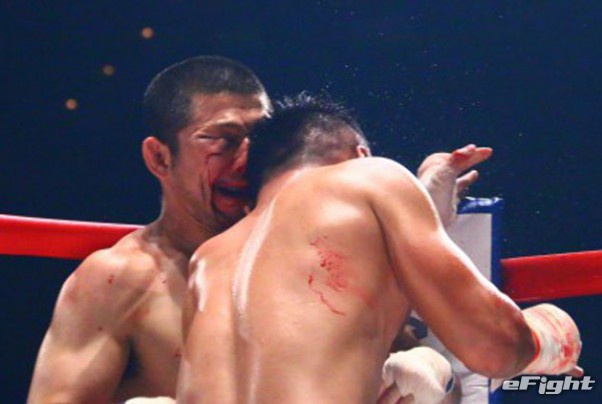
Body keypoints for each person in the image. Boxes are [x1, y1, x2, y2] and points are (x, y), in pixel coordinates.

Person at [27, 56, 489, 403]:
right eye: (224, 141)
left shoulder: (318, 255)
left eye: (261, 138)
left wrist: (430, 369)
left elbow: (426, 384)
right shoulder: (119, 280)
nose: (249, 159)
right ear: (160, 157)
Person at [178, 94, 582, 403]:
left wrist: (426, 204)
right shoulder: (370, 177)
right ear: (360, 154)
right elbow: (494, 347)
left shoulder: (208, 258)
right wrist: (551, 337)